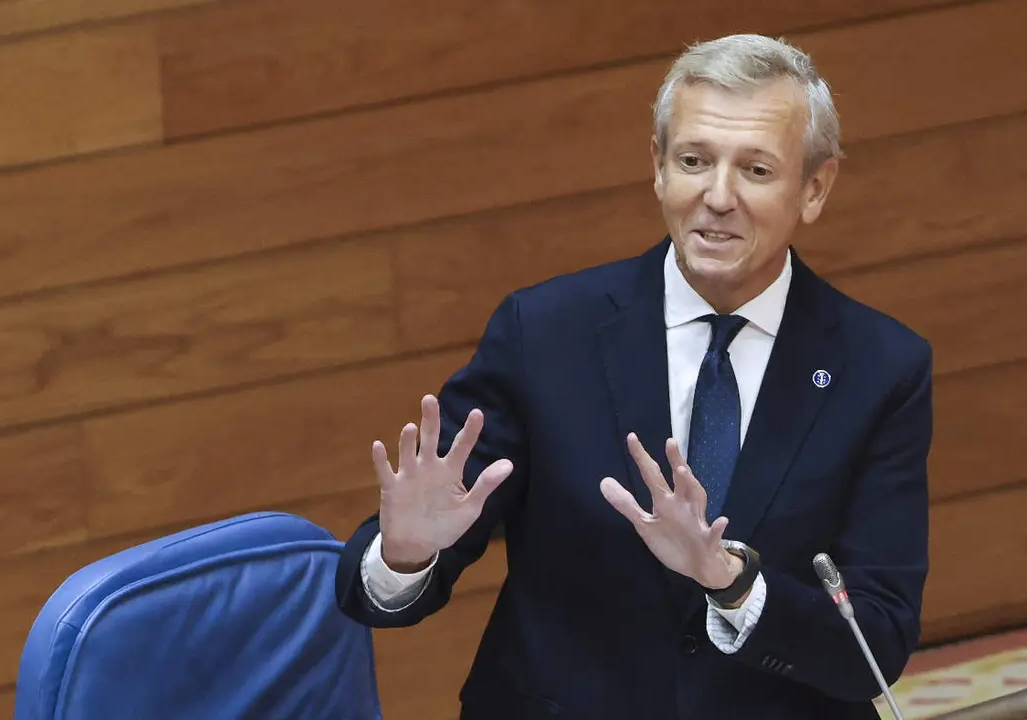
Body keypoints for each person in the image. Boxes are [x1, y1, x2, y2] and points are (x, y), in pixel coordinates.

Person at [335, 33, 932, 719]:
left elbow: (873, 643)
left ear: (815, 187)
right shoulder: (546, 333)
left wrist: (730, 583)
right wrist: (406, 554)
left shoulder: (879, 368)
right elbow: (377, 591)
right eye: (693, 161)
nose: (717, 196)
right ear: (657, 168)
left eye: (756, 171)